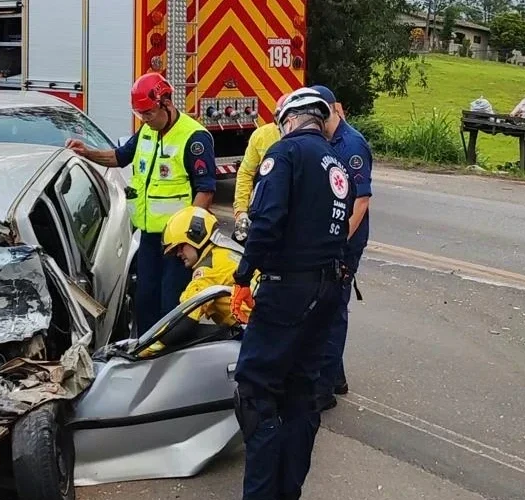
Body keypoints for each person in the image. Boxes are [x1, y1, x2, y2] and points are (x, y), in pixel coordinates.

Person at [230, 87, 354, 500]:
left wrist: (244, 275)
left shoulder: (284, 155)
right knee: (302, 394)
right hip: (329, 289)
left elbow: (266, 221)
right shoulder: (337, 165)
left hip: (288, 292)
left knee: (257, 394)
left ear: (289, 119)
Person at [66, 72, 217, 333]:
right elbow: (119, 157)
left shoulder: (194, 138)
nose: (145, 120)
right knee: (145, 300)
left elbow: (205, 190)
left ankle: (170, 357)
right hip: (148, 237)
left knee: (172, 303)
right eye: (140, 115)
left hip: (176, 243)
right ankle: (146, 354)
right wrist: (87, 152)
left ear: (166, 103)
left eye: (148, 113)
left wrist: (188, 238)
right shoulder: (147, 131)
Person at [310, 85, 374, 411]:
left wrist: (337, 241)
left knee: (333, 313)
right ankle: (335, 378)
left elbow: (361, 201)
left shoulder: (351, 145)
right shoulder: (322, 141)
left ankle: (323, 392)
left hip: (344, 242)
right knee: (327, 308)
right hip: (329, 237)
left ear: (335, 109)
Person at [138, 206, 256, 357]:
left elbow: (183, 320)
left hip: (256, 335)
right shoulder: (224, 251)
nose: (179, 254)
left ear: (196, 236)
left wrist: (141, 350)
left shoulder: (207, 270)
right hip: (266, 326)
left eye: (180, 247)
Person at [232, 93, 289, 241]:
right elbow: (246, 173)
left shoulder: (310, 141)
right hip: (264, 213)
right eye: (278, 117)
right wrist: (241, 212)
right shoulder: (261, 136)